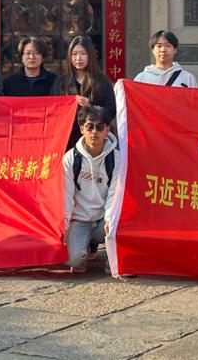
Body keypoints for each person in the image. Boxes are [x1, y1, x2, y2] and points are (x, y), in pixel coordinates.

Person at [62, 106, 119, 273]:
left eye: (100, 127)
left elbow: (114, 194)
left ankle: (113, 261)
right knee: (73, 260)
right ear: (81, 129)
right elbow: (66, 195)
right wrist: (64, 226)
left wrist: (109, 219)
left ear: (107, 130)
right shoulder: (70, 159)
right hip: (80, 220)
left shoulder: (116, 159)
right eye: (89, 127)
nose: (94, 132)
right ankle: (82, 249)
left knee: (120, 223)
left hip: (103, 220)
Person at [52, 36, 116, 148]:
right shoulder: (61, 82)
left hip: (94, 138)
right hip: (67, 138)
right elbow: (53, 110)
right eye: (74, 54)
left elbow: (111, 111)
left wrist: (90, 107)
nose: (78, 58)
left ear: (90, 56)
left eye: (83, 54)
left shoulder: (102, 81)